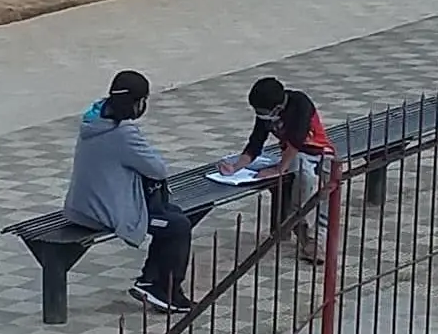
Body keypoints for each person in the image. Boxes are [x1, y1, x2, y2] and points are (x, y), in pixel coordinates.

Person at [63, 70, 194, 313]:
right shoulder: (123, 133)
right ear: (137, 102)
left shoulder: (94, 120)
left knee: (173, 214)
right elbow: (158, 169)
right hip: (102, 212)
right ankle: (165, 290)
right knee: (178, 225)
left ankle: (149, 280)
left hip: (81, 206)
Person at [217, 77, 335, 263]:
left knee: (311, 185)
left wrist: (280, 169)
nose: (261, 115)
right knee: (298, 191)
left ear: (277, 108)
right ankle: (308, 239)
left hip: (318, 153)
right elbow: (255, 143)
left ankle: (316, 241)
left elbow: (296, 142)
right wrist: (235, 167)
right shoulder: (265, 115)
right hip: (292, 156)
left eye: (263, 112)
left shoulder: (300, 103)